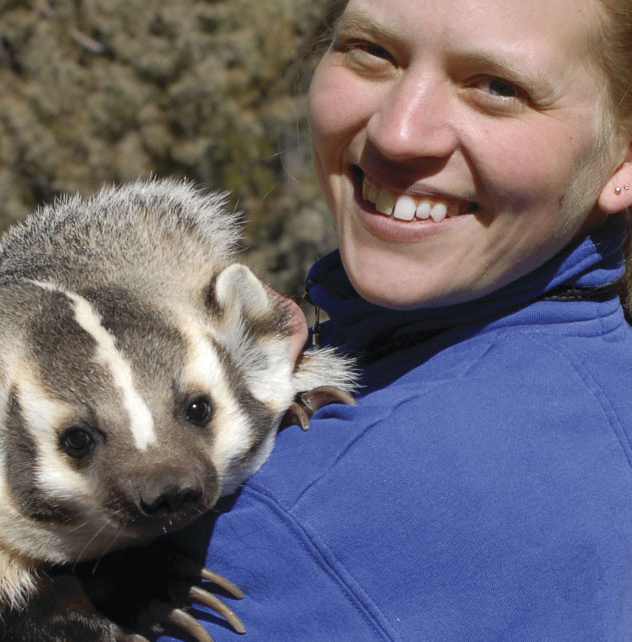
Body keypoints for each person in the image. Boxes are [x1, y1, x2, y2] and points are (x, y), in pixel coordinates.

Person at [153, 0, 632, 639]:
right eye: (373, 51)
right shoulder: (599, 390)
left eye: (497, 87)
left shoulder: (307, 518)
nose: (397, 133)